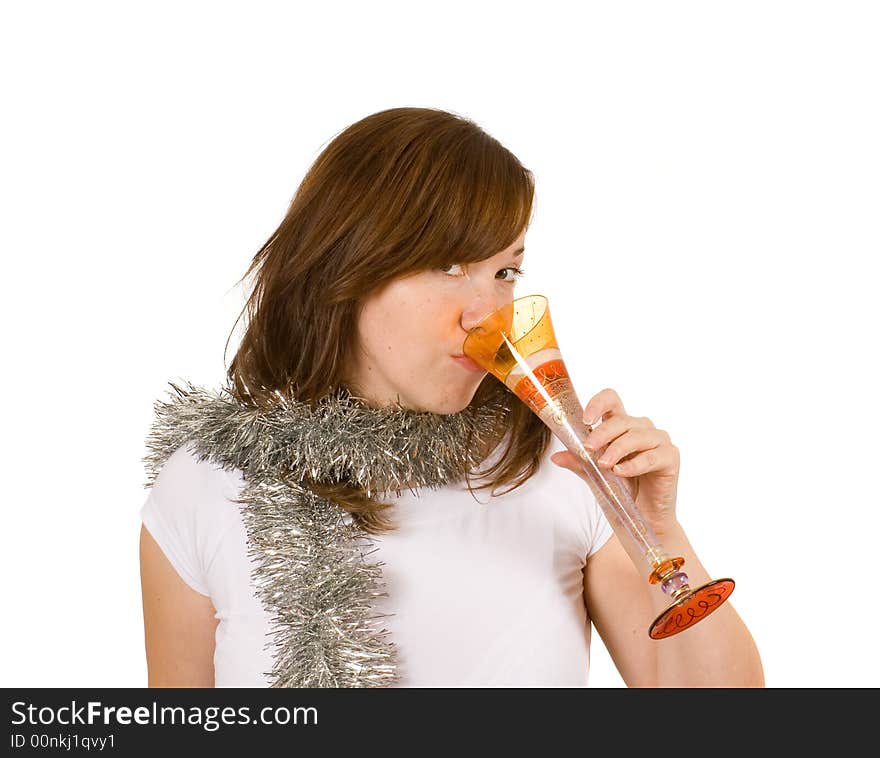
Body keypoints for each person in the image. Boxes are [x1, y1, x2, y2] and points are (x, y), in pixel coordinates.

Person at [139, 106, 764, 688]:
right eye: (448, 267)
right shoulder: (205, 485)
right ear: (344, 268)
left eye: (505, 272)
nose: (487, 314)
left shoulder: (565, 468)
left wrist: (656, 530)